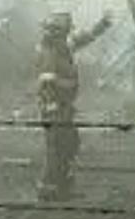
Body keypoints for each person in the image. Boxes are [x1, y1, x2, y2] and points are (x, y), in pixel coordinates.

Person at [34, 10, 113, 201]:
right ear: (58, 33)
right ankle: (49, 189)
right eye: (65, 31)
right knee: (57, 147)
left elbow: (84, 39)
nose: (68, 35)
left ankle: (62, 187)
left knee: (69, 145)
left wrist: (102, 24)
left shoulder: (62, 47)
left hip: (64, 107)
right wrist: (54, 111)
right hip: (55, 109)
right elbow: (46, 84)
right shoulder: (50, 52)